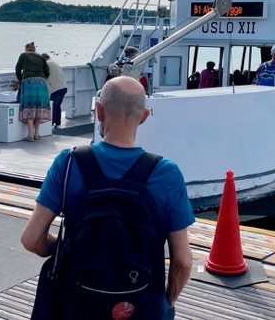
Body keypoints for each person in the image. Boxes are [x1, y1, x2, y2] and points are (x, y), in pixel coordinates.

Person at [21, 77, 194, 319]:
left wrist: (65, 248)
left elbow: (31, 239)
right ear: (144, 116)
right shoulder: (167, 173)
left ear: (99, 110)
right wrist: (167, 302)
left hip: (78, 303)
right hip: (140, 306)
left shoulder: (68, 163)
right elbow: (183, 261)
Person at [15, 42, 51, 141]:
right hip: (41, 83)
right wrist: (41, 78)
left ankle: (30, 135)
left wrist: (21, 78)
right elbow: (47, 71)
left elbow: (18, 69)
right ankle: (37, 134)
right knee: (38, 107)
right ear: (34, 49)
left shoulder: (23, 55)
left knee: (29, 107)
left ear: (26, 49)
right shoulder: (41, 57)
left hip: (29, 82)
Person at [42, 53, 68, 130]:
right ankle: (57, 123)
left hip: (56, 88)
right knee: (57, 106)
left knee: (53, 106)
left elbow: (43, 74)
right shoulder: (54, 63)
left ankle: (51, 124)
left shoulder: (47, 64)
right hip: (63, 87)